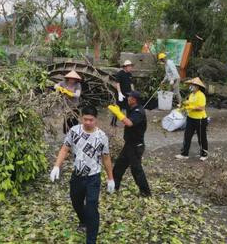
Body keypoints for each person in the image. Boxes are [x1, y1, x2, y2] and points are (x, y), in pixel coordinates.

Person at [50, 107, 114, 244]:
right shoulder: (74, 132)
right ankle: (83, 221)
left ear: (96, 120)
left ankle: (91, 240)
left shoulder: (101, 137)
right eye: (85, 119)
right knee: (76, 201)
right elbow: (65, 149)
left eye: (91, 120)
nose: (88, 122)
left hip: (93, 177)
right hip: (77, 175)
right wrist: (56, 166)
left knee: (92, 208)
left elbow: (106, 158)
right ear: (81, 118)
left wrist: (110, 178)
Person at [107, 91, 151, 197]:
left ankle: (146, 193)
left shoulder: (138, 112)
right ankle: (113, 187)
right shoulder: (132, 108)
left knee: (136, 170)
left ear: (134, 99)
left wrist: (118, 113)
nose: (128, 98)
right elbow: (122, 105)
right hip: (129, 144)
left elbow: (129, 123)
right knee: (119, 166)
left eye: (129, 97)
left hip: (136, 146)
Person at [175, 77, 208, 161]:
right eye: (191, 85)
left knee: (201, 137)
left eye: (192, 85)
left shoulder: (201, 95)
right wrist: (183, 106)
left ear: (197, 86)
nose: (191, 86)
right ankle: (184, 154)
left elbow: (201, 108)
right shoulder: (191, 95)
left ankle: (204, 154)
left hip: (200, 119)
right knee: (187, 136)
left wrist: (189, 107)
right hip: (190, 118)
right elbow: (189, 103)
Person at [112, 60, 135, 126]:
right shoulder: (120, 74)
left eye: (131, 66)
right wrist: (119, 93)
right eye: (130, 66)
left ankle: (128, 122)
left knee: (129, 108)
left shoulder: (130, 74)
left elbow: (131, 84)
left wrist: (133, 92)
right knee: (118, 109)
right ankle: (113, 122)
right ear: (125, 67)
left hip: (128, 94)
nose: (131, 68)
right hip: (121, 94)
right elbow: (117, 84)